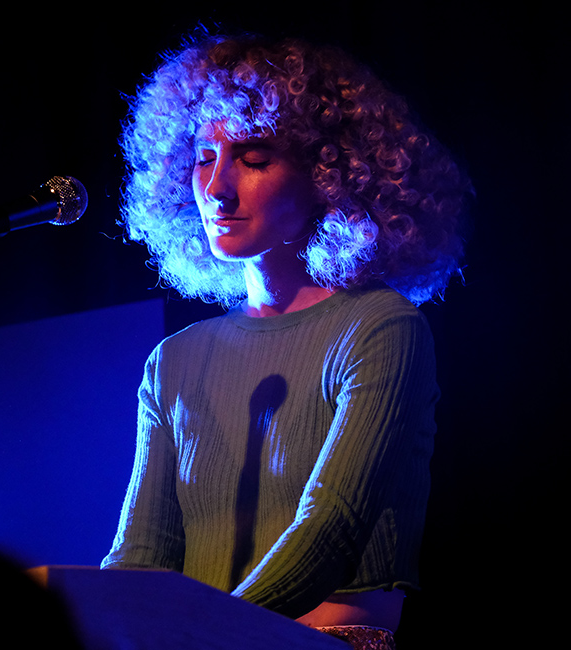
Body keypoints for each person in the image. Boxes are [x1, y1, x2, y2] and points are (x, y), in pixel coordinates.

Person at [100, 30, 471, 649]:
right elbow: (139, 555)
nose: (216, 188)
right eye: (202, 157)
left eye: (252, 157)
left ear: (329, 174)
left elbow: (331, 527)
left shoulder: (381, 328)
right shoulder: (174, 361)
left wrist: (202, 633)